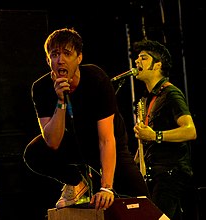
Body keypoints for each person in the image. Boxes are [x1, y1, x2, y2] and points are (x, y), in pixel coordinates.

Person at [23, 27, 150, 211]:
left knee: (141, 200)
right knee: (34, 153)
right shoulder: (41, 88)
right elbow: (52, 142)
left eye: (67, 53)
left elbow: (106, 139)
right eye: (55, 54)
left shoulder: (95, 78)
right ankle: (75, 182)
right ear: (48, 59)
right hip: (75, 141)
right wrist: (60, 101)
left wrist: (106, 187)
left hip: (106, 142)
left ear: (79, 58)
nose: (60, 60)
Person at [132, 39, 197, 219]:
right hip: (155, 175)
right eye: (137, 58)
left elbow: (190, 130)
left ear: (157, 64)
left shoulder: (171, 93)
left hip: (170, 173)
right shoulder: (147, 99)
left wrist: (156, 135)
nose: (137, 62)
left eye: (143, 58)